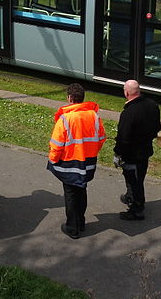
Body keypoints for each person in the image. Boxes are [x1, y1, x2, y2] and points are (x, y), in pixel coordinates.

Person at [47, 83, 106, 239]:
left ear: (69, 98)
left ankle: (72, 227)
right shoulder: (94, 116)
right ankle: (81, 221)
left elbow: (57, 144)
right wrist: (91, 152)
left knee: (71, 193)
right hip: (88, 160)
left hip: (70, 161)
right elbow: (101, 138)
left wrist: (52, 160)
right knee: (82, 189)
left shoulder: (65, 118)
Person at [114, 80, 161, 221]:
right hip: (145, 151)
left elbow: (123, 138)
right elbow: (156, 128)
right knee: (138, 177)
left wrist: (118, 153)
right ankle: (131, 197)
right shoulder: (152, 105)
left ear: (126, 93)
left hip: (131, 155)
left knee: (134, 181)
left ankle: (136, 209)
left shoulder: (128, 113)